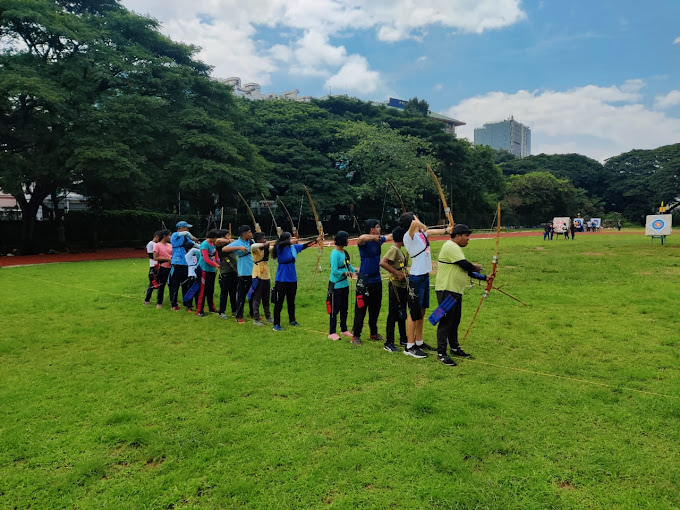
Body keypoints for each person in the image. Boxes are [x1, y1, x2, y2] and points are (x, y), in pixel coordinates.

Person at [434, 224, 493, 366]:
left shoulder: (455, 248)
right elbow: (466, 265)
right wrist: (476, 267)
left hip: (455, 290)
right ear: (458, 236)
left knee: (455, 320)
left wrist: (485, 277)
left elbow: (465, 269)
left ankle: (454, 347)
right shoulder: (451, 246)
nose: (468, 239)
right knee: (446, 321)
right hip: (446, 289)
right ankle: (441, 353)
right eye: (466, 236)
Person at [399, 212, 451, 359]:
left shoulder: (421, 234)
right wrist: (418, 223)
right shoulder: (408, 236)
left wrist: (447, 230)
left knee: (421, 310)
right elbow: (417, 225)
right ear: (411, 221)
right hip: (416, 277)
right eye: (415, 217)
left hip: (424, 276)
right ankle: (410, 346)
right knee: (414, 312)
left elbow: (431, 231)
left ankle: (419, 341)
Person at [351, 219, 393, 346]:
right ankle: (356, 335)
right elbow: (361, 238)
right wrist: (375, 237)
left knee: (375, 308)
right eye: (377, 227)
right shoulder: (364, 242)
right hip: (364, 281)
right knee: (361, 308)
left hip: (376, 279)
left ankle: (373, 333)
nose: (379, 229)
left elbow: (391, 236)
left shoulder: (378, 240)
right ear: (372, 230)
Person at [271, 231, 316, 331]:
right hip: (281, 279)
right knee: (279, 302)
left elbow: (305, 246)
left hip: (292, 278)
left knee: (291, 301)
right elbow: (281, 244)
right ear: (286, 239)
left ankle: (292, 320)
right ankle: (276, 324)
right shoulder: (279, 248)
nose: (292, 239)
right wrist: (291, 242)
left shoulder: (293, 248)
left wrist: (316, 241)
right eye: (290, 238)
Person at [379, 226, 409, 352]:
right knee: (393, 314)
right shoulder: (394, 249)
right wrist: (397, 274)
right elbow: (383, 263)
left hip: (403, 286)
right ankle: (389, 342)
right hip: (395, 286)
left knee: (402, 312)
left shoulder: (400, 250)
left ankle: (403, 338)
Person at [222, 225, 254, 323]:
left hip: (253, 271)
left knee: (253, 294)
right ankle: (239, 315)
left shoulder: (251, 241)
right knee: (242, 295)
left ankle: (253, 313)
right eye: (249, 232)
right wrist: (239, 247)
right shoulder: (237, 242)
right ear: (244, 234)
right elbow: (224, 249)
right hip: (244, 272)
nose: (251, 234)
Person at [328, 230, 356, 341]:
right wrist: (345, 273)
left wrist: (355, 271)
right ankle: (332, 332)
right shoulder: (334, 254)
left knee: (344, 308)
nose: (348, 241)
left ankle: (344, 329)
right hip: (336, 285)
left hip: (345, 284)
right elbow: (334, 270)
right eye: (347, 238)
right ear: (342, 240)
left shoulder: (344, 252)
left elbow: (348, 265)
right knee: (335, 309)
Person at [169, 221, 200, 311]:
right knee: (175, 284)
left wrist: (204, 248)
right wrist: (193, 237)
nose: (188, 229)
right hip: (177, 262)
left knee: (185, 284)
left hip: (185, 263)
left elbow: (194, 245)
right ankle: (174, 304)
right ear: (181, 228)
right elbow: (187, 234)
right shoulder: (175, 235)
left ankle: (186, 302)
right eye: (186, 227)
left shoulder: (186, 238)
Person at [250, 231, 274, 326]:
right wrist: (264, 244)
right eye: (263, 238)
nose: (265, 240)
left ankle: (268, 316)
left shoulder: (266, 248)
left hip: (266, 276)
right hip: (258, 275)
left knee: (266, 298)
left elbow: (275, 248)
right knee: (257, 298)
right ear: (258, 240)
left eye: (265, 238)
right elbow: (253, 246)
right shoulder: (254, 248)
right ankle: (256, 319)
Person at [195, 229, 220, 317]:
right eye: (216, 238)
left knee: (210, 289)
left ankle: (211, 307)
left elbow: (216, 255)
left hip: (211, 270)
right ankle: (199, 310)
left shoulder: (214, 244)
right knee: (203, 290)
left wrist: (219, 262)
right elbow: (206, 258)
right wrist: (215, 265)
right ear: (212, 237)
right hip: (203, 269)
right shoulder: (204, 244)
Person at [216, 231, 238, 319]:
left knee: (233, 292)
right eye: (228, 235)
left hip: (234, 272)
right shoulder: (220, 246)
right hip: (225, 272)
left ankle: (234, 310)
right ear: (223, 237)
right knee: (224, 293)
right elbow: (217, 240)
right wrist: (230, 241)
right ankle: (222, 312)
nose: (230, 236)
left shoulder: (231, 246)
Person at [152, 230, 172, 308]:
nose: (170, 237)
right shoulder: (157, 245)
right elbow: (155, 257)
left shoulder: (170, 245)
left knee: (172, 285)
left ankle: (173, 301)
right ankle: (159, 302)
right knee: (162, 285)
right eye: (169, 236)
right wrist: (167, 259)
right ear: (164, 236)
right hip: (163, 267)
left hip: (172, 268)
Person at [143, 231, 160, 305]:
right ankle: (147, 300)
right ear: (156, 237)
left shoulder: (156, 244)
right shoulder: (151, 244)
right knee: (153, 283)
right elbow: (151, 256)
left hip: (158, 266)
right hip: (154, 266)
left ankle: (159, 300)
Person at [184, 244, 201, 310]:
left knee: (197, 291)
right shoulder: (187, 255)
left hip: (197, 274)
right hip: (191, 274)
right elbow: (194, 250)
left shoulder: (196, 255)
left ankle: (198, 305)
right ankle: (189, 306)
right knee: (191, 290)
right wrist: (203, 249)